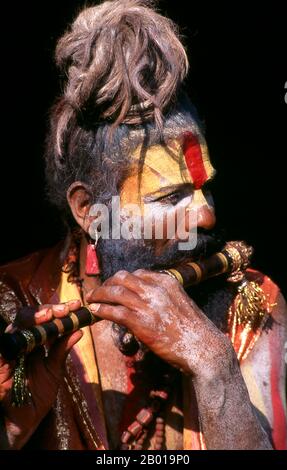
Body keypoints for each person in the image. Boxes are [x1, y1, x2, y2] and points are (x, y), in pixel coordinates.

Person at [0, 0, 286, 450]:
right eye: (171, 197)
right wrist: (12, 431)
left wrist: (215, 367)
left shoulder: (252, 303)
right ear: (89, 210)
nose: (206, 215)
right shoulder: (15, 300)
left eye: (204, 188)